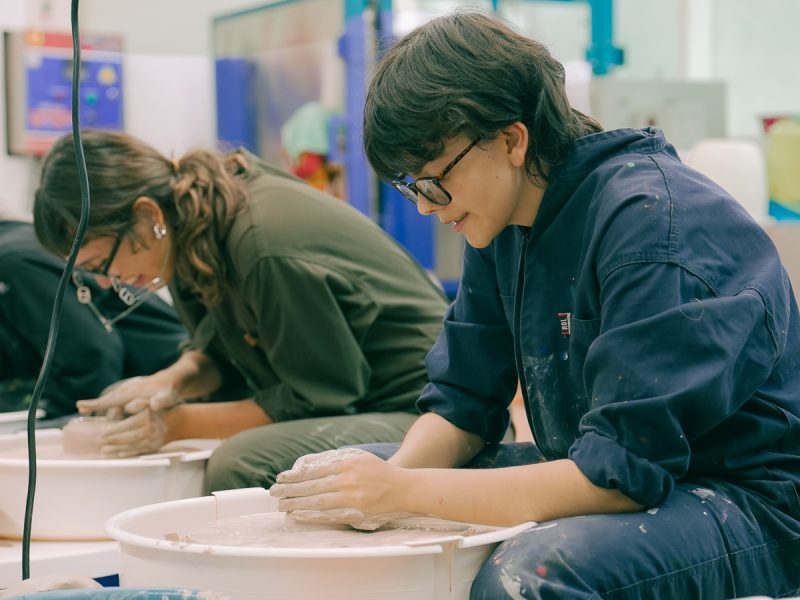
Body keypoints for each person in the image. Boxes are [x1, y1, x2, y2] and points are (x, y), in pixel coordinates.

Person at [269, 11, 800, 599]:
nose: (424, 206)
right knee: (335, 482)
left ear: (512, 139)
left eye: (433, 180)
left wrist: (401, 494)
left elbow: (621, 475)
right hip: (604, 467)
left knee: (532, 574)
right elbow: (463, 407)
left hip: (743, 501)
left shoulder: (655, 225)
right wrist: (387, 482)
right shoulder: (501, 223)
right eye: (410, 184)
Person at [33, 130, 449, 490]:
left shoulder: (262, 245)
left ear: (147, 215)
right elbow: (224, 354)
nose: (108, 282)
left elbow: (321, 398)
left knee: (240, 462)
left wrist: (175, 425)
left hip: (431, 413)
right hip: (360, 400)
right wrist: (170, 382)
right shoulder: (188, 227)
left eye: (100, 265)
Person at [0, 215, 186, 420]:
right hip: (157, 376)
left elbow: (88, 355)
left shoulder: (12, 261)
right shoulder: (22, 237)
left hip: (167, 385)